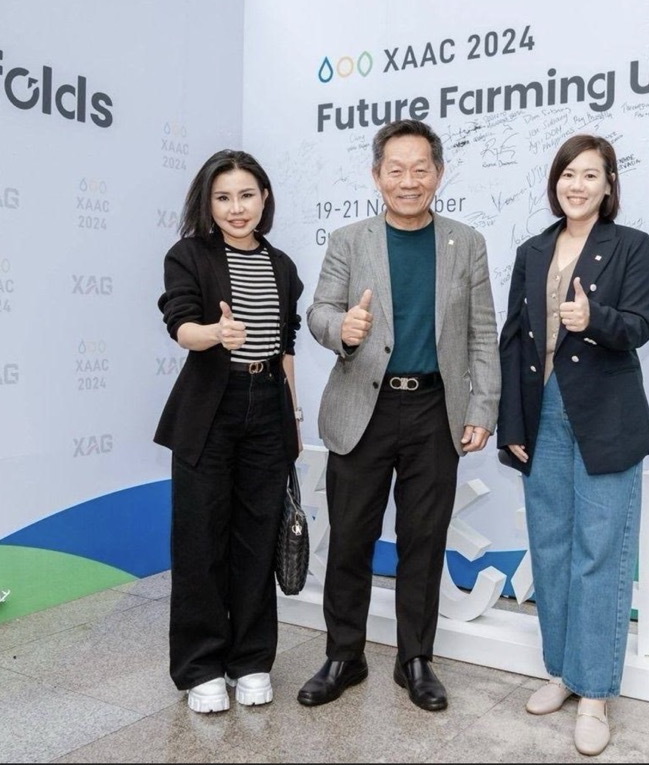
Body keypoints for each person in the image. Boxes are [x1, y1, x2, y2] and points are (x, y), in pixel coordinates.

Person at [298, 119, 500, 712]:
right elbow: (319, 312)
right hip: (364, 405)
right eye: (395, 169)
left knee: (424, 541)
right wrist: (343, 328)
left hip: (436, 408)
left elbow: (482, 333)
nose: (408, 181)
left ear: (438, 173)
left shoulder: (467, 242)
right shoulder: (349, 240)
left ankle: (415, 659)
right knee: (349, 538)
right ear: (376, 175)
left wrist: (483, 406)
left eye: (420, 169)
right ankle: (344, 655)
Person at [496, 133, 649, 755]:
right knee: (552, 547)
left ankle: (594, 692)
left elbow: (639, 326)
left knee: (599, 552)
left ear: (609, 184)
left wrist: (596, 321)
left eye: (591, 175)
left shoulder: (631, 246)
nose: (578, 185)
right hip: (540, 411)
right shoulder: (533, 250)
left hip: (605, 415)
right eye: (568, 174)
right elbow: (514, 339)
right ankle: (562, 673)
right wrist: (512, 423)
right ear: (555, 181)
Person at [153, 149, 305, 714]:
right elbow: (181, 327)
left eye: (245, 195)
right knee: (200, 540)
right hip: (210, 409)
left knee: (257, 538)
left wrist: (291, 418)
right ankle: (200, 667)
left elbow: (285, 347)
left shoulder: (282, 265)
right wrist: (214, 333)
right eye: (223, 197)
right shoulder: (188, 255)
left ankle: (251, 660)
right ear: (207, 203)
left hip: (268, 407)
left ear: (264, 198)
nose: (236, 208)